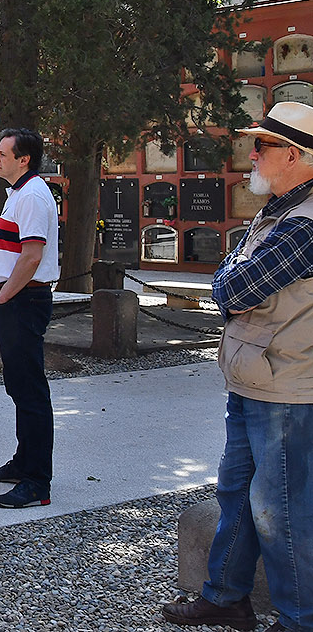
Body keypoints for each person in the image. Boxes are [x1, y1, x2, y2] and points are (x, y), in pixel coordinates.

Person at [162, 102, 313, 632]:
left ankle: (300, 619)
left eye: (263, 145)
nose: (252, 154)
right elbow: (230, 274)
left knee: (281, 511)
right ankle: (226, 596)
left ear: (294, 155)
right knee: (237, 495)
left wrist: (231, 273)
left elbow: (233, 287)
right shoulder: (280, 210)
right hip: (256, 377)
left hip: (287, 387)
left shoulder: (305, 224)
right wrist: (231, 272)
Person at [0, 128, 60, 508]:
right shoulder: (19, 193)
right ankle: (23, 462)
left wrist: (4, 297)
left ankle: (36, 482)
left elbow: (31, 256)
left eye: (2, 153)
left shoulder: (31, 196)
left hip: (23, 300)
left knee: (30, 392)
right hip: (17, 299)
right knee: (19, 387)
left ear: (23, 159)